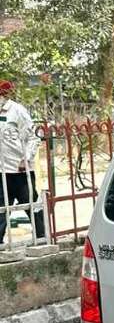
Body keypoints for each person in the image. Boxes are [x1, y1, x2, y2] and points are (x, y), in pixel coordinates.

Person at [0, 80, 45, 244]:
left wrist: (25, 159)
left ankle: (42, 238)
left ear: (4, 96)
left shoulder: (17, 111)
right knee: (1, 210)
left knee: (32, 206)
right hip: (1, 172)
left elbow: (33, 137)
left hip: (19, 171)